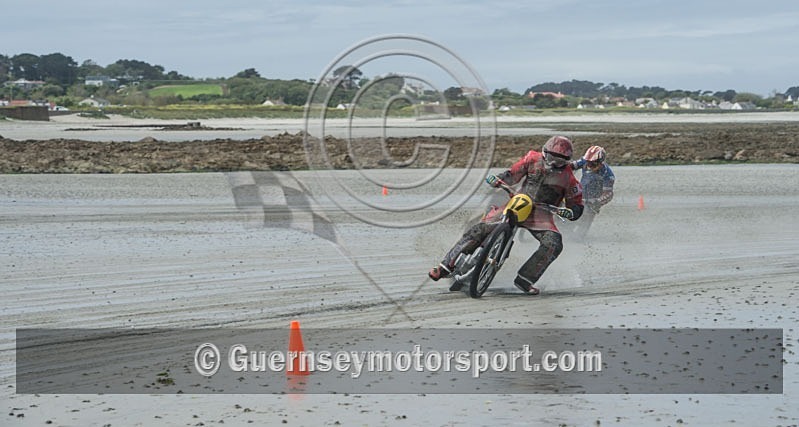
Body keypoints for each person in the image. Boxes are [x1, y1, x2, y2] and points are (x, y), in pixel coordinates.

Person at [428, 136, 584, 295]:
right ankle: (445, 266)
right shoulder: (532, 158)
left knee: (554, 243)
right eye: (551, 158)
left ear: (567, 161)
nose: (553, 164)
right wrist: (498, 179)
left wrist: (571, 212)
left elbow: (577, 205)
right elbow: (512, 174)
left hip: (541, 215)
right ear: (544, 153)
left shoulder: (570, 179)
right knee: (479, 229)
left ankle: (525, 279)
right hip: (518, 202)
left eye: (559, 161)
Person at [569, 145, 615, 239]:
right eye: (588, 162)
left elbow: (609, 194)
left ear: (600, 162)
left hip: (592, 203)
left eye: (593, 163)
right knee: (568, 217)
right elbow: (570, 166)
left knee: (583, 226)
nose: (589, 165)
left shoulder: (608, 174)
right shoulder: (584, 161)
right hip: (579, 197)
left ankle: (579, 238)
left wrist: (598, 202)